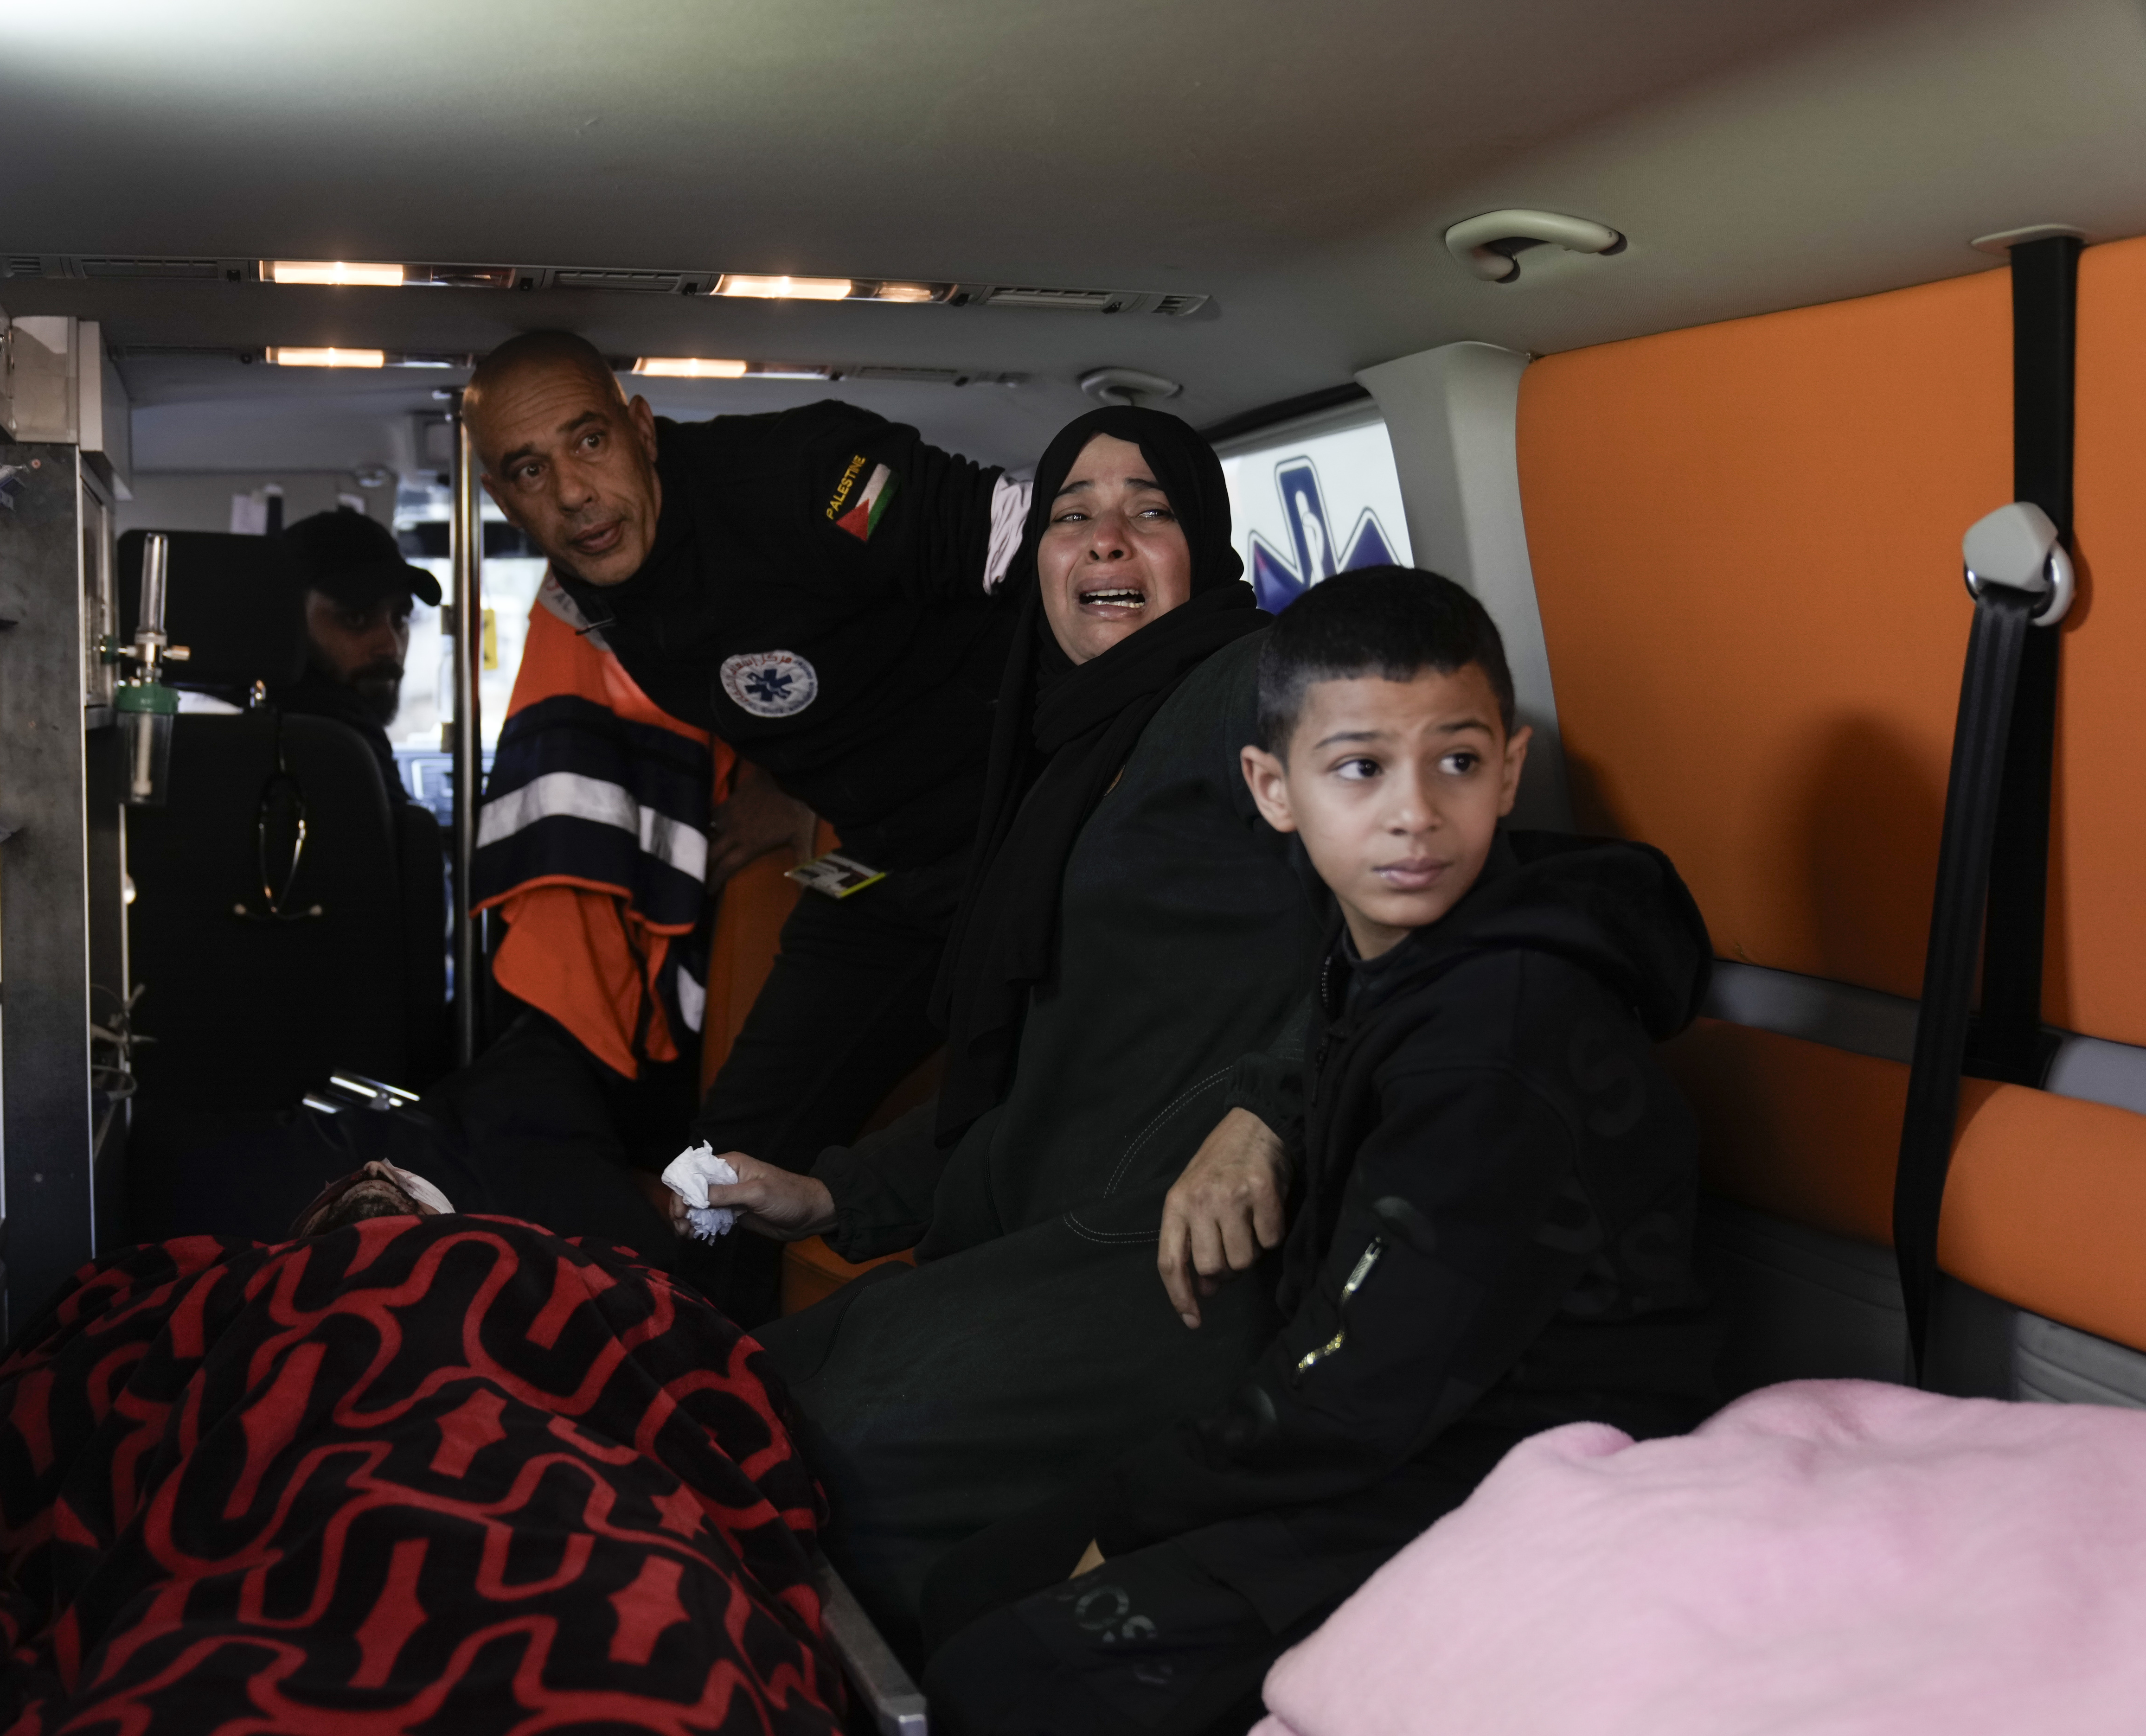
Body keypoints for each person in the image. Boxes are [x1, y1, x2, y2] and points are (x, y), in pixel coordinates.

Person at [910, 569, 1724, 1736]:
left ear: (1509, 770)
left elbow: (1360, 1391)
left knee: (1010, 1676)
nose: (1413, 814)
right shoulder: (1392, 956)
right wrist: (1271, 1109)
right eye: (1359, 768)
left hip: (1513, 1466)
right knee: (965, 1590)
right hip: (1396, 1427)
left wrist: (1138, 1519)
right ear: (1272, 787)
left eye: (1455, 762)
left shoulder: (1499, 1041)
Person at [676, 407, 1320, 1638]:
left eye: (1151, 512)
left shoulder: (1259, 688)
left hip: (1182, 1269)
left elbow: (1438, 916)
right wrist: (831, 1194)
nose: (1107, 540)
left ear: (1207, 546)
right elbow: (1030, 1079)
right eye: (1073, 515)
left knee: (831, 1453)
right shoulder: (1060, 750)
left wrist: (1273, 1108)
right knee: (736, 1384)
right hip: (1040, 1237)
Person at [463, 332, 1022, 1181]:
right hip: (883, 867)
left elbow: (1061, 548)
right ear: (503, 500)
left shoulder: (803, 477)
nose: (574, 492)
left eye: (591, 440)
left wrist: (1128, 771)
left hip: (1031, 835)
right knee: (718, 1173)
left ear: (641, 430)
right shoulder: (583, 587)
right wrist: (787, 785)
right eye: (531, 470)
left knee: (1046, 1110)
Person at [276, 505, 441, 814]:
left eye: (400, 618)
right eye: (356, 619)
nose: (391, 646)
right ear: (289, 622)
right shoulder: (336, 736)